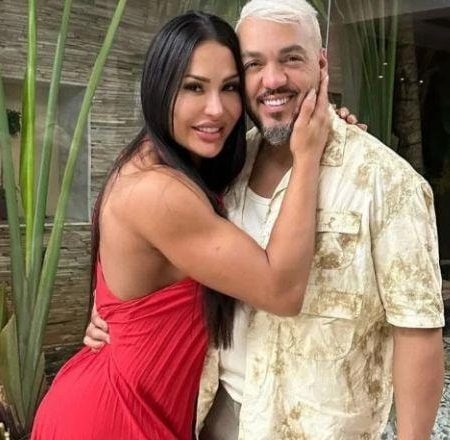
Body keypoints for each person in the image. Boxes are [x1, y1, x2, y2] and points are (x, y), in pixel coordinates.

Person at [85, 1, 445, 439]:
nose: (272, 79)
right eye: (253, 64)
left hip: (320, 428)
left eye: (290, 58)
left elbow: (417, 331)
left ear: (321, 64)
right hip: (212, 415)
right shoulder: (225, 166)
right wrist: (112, 311)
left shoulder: (385, 180)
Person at [31, 10, 331, 440]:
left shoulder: (170, 166)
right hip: (112, 418)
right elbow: (281, 291)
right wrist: (308, 157)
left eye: (229, 87)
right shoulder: (159, 192)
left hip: (132, 404)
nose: (217, 109)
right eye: (194, 87)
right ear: (159, 88)